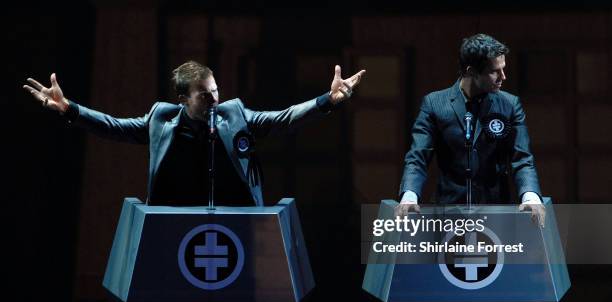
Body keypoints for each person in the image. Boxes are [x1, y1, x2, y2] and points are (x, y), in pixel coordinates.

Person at [24, 61, 365, 206]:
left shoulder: (235, 114)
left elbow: (284, 119)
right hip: (174, 227)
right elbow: (114, 127)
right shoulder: (161, 118)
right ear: (184, 98)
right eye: (205, 94)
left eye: (215, 90)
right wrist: (70, 110)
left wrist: (328, 101)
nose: (215, 98)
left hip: (237, 226)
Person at [396, 34, 545, 226]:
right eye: (495, 72)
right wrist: (409, 195)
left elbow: (522, 158)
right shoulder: (434, 104)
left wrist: (530, 196)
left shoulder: (509, 104)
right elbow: (417, 157)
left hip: (497, 213)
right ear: (471, 71)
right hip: (447, 213)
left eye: (503, 69)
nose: (503, 77)